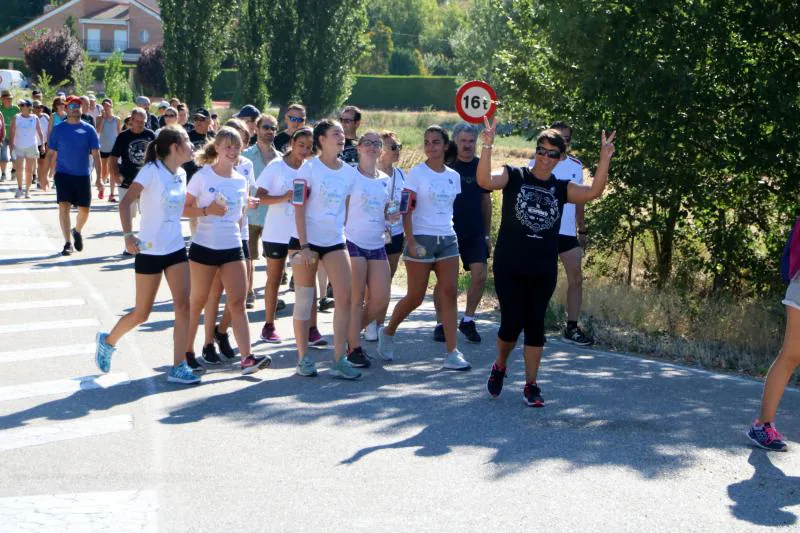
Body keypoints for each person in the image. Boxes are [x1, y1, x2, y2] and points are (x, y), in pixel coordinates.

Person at [478, 118, 615, 407]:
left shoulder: (562, 188)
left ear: (560, 158)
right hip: (510, 264)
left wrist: (604, 159)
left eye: (552, 154)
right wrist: (487, 144)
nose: (544, 158)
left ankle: (531, 385)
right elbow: (484, 181)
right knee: (511, 323)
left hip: (541, 267)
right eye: (541, 150)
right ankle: (500, 364)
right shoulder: (514, 175)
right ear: (535, 151)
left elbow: (593, 192)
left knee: (536, 324)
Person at [94, 126, 199, 385]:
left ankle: (179, 365)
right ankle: (108, 341)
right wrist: (128, 235)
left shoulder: (182, 174)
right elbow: (126, 201)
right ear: (175, 147)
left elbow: (179, 211)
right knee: (142, 313)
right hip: (149, 250)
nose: (192, 145)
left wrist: (211, 212)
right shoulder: (151, 171)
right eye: (187, 141)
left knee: (184, 306)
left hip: (175, 249)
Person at [377, 125, 469, 371]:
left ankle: (452, 352)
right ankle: (388, 331)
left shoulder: (454, 176)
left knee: (449, 293)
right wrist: (411, 240)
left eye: (435, 142)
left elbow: (449, 209)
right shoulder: (416, 174)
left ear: (445, 145)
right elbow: (406, 209)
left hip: (448, 239)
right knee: (416, 296)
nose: (430, 146)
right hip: (421, 239)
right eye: (427, 142)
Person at [183, 127, 270, 374]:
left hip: (232, 246)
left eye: (236, 147)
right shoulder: (202, 177)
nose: (232, 152)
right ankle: (187, 352)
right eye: (228, 146)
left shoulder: (241, 181)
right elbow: (183, 209)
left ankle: (247, 358)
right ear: (217, 148)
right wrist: (206, 211)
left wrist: (239, 234)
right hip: (204, 247)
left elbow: (241, 216)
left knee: (238, 302)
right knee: (197, 302)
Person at [290, 119, 360, 379]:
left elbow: (348, 208)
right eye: (335, 133)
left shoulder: (349, 173)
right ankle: (303, 358)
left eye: (342, 133)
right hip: (306, 241)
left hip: (335, 241)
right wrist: (305, 245)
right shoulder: (307, 169)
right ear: (321, 139)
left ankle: (340, 358)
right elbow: (297, 207)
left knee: (345, 297)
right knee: (305, 301)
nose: (342, 137)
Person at [255, 127, 327, 346]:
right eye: (300, 145)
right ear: (292, 144)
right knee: (275, 278)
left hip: (301, 233)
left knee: (306, 282)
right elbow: (259, 198)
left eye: (308, 146)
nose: (304, 150)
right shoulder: (276, 166)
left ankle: (312, 328)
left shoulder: (313, 168)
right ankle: (269, 325)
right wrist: (284, 197)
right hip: (276, 231)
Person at [198, 119, 258, 365]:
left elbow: (247, 197)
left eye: (240, 142)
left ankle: (222, 332)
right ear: (221, 145)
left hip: (239, 235)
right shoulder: (211, 169)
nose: (234, 149)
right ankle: (207, 343)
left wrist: (248, 204)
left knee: (240, 295)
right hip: (216, 237)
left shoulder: (246, 167)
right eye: (230, 144)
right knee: (214, 293)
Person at [528, 121, 593, 345]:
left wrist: (582, 228)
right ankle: (532, 322)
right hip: (542, 230)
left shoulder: (576, 165)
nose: (562, 142)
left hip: (566, 232)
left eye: (566, 139)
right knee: (538, 278)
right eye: (559, 137)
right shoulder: (537, 161)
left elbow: (581, 199)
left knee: (576, 277)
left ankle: (572, 327)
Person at [430, 123, 492, 344]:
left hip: (474, 232)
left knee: (480, 275)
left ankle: (468, 319)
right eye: (463, 141)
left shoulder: (480, 166)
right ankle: (440, 323)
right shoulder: (446, 165)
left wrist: (487, 234)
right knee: (447, 282)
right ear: (454, 142)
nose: (467, 145)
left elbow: (486, 201)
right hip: (448, 232)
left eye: (471, 141)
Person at [344, 131, 396, 367]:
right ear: (359, 147)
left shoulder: (385, 179)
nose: (373, 147)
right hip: (353, 241)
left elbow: (385, 210)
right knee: (356, 300)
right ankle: (354, 347)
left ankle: (350, 333)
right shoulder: (349, 175)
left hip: (377, 243)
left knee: (381, 299)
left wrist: (391, 216)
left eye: (377, 144)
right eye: (368, 143)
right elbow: (341, 209)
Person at [47, 95, 101, 256]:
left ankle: (76, 230)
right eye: (71, 106)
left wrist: (99, 178)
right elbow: (50, 153)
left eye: (78, 105)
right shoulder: (59, 129)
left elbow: (96, 154)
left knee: (85, 210)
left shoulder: (88, 129)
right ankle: (67, 243)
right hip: (63, 174)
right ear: (66, 109)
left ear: (82, 108)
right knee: (64, 206)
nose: (75, 108)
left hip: (82, 174)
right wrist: (43, 175)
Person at [363, 130, 405, 342]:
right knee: (373, 282)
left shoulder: (402, 175)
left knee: (386, 280)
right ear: (380, 151)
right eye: (393, 147)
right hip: (374, 233)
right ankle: (368, 321)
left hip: (396, 233)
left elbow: (406, 203)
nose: (398, 151)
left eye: (399, 147)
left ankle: (379, 322)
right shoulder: (370, 174)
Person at [242, 113, 282, 305]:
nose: (269, 131)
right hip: (249, 214)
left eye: (273, 128)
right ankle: (248, 292)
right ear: (256, 129)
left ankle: (271, 295)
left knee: (272, 260)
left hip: (272, 215)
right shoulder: (245, 156)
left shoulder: (281, 159)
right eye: (266, 127)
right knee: (248, 257)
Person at [110, 108, 156, 254]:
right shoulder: (123, 136)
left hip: (147, 183)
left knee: (148, 214)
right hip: (127, 180)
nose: (140, 124)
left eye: (143, 122)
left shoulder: (151, 135)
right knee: (128, 213)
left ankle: (147, 243)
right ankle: (128, 244)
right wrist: (115, 174)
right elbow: (113, 158)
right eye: (137, 121)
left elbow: (157, 158)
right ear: (131, 121)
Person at [9, 98, 44, 199]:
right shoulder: (16, 117)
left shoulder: (35, 118)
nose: (21, 107)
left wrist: (42, 146)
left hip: (31, 146)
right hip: (19, 145)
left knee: (29, 170)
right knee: (19, 169)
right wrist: (11, 146)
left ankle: (27, 190)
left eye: (23, 105)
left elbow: (40, 133)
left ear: (29, 107)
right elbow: (12, 132)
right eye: (20, 106)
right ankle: (20, 188)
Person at [97, 98, 121, 202]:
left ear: (111, 106)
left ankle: (111, 194)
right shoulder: (99, 118)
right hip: (103, 147)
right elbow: (98, 130)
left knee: (112, 171)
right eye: (104, 106)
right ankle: (102, 188)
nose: (106, 108)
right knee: (104, 171)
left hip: (113, 147)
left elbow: (119, 133)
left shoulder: (117, 119)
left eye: (108, 106)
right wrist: (103, 118)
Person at [183, 108, 215, 183]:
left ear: (209, 121)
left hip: (210, 177)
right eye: (196, 119)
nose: (198, 121)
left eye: (201, 119)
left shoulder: (214, 136)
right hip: (191, 177)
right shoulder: (186, 136)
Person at [1, 90, 19, 182]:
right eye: (7, 99)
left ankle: (13, 172)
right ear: (2, 99)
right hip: (2, 136)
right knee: (3, 156)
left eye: (10, 99)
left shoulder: (16, 109)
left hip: (14, 136)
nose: (9, 100)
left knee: (14, 156)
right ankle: (3, 174)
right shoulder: (0, 109)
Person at [33, 100, 50, 191]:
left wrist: (48, 142)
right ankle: (39, 180)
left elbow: (50, 129)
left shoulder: (46, 117)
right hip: (34, 143)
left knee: (43, 162)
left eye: (40, 107)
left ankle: (42, 180)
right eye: (37, 107)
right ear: (33, 108)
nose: (39, 109)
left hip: (45, 143)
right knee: (39, 163)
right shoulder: (31, 117)